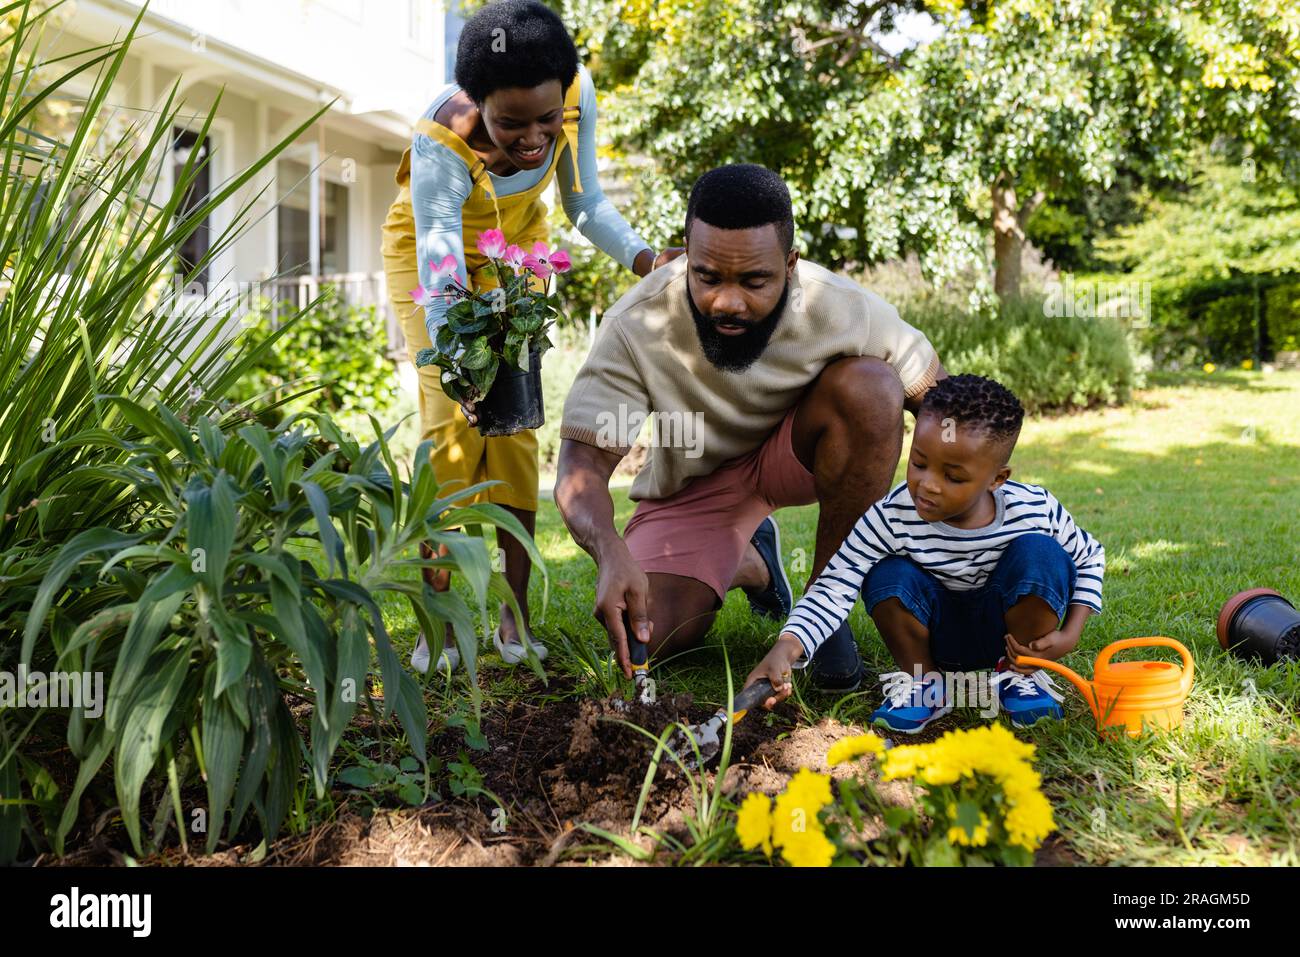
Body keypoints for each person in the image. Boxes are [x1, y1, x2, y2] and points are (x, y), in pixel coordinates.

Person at [554, 163, 946, 692]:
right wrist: (608, 549)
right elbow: (584, 466)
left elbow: (943, 404)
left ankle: (823, 612)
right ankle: (751, 560)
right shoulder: (638, 324)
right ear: (686, 258)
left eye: (755, 280)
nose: (728, 302)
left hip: (796, 454)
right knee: (647, 632)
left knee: (873, 387)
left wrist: (988, 516)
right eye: (708, 277)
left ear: (789, 264)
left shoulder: (841, 307)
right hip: (695, 485)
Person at [380, 0, 681, 673]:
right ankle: (442, 627)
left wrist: (643, 257)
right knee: (451, 434)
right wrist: (459, 361)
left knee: (514, 425)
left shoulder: (573, 91)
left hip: (517, 246)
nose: (534, 137)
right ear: (474, 101)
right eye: (511, 122)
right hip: (434, 259)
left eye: (545, 119)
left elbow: (585, 203)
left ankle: (513, 622)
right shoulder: (441, 141)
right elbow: (440, 258)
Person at [745, 374, 1107, 731]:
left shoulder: (1034, 508)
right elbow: (834, 585)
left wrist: (1070, 633)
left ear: (997, 479)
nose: (927, 486)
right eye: (919, 463)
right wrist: (787, 647)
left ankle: (1019, 676)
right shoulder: (890, 516)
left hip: (1010, 639)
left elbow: (1090, 556)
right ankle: (926, 685)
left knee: (1042, 553)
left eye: (953, 477)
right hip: (933, 636)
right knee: (888, 574)